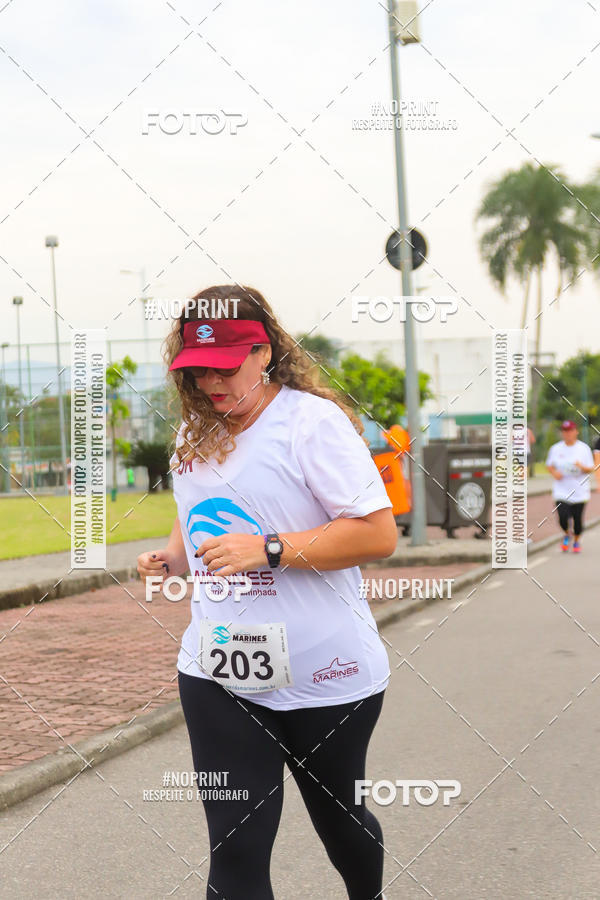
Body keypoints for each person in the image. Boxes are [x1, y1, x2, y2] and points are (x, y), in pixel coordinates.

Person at [137, 285, 398, 900]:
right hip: (221, 668)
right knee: (236, 844)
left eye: (225, 367)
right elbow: (196, 511)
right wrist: (171, 558)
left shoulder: (311, 423)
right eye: (195, 369)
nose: (210, 382)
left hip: (326, 673)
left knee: (342, 827)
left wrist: (270, 547)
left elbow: (378, 533)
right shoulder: (193, 434)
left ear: (264, 351)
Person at [545, 420, 594, 553]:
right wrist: (555, 473)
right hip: (561, 491)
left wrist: (581, 467)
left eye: (570, 430)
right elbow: (549, 465)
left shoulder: (584, 448)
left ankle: (577, 539)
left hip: (579, 492)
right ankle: (567, 533)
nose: (567, 434)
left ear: (576, 431)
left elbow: (591, 468)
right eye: (565, 431)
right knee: (562, 518)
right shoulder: (555, 449)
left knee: (578, 522)